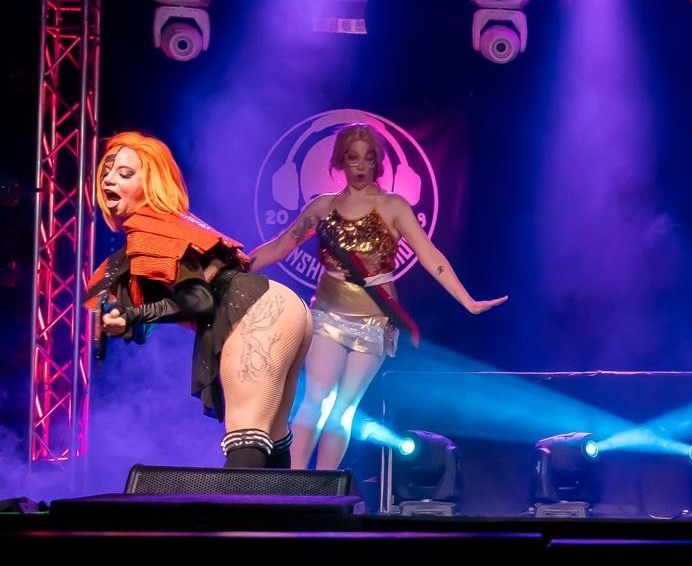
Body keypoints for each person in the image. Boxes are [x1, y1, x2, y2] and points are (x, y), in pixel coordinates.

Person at [249, 123, 507, 469]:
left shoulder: (394, 207)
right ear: (340, 161)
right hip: (327, 313)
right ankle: (292, 483)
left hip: (374, 320)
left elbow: (431, 257)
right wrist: (235, 264)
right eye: (352, 158)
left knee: (344, 407)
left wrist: (468, 301)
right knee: (316, 399)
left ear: (377, 163)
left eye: (367, 158)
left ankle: (323, 489)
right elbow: (281, 245)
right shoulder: (323, 207)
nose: (359, 166)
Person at [89, 132, 311, 468]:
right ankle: (273, 521)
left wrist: (133, 315)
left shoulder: (151, 231)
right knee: (271, 432)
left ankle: (237, 521)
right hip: (278, 306)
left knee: (246, 430)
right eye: (107, 171)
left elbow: (198, 300)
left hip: (254, 310)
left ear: (151, 183)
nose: (109, 179)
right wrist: (127, 318)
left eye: (125, 173)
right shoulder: (165, 228)